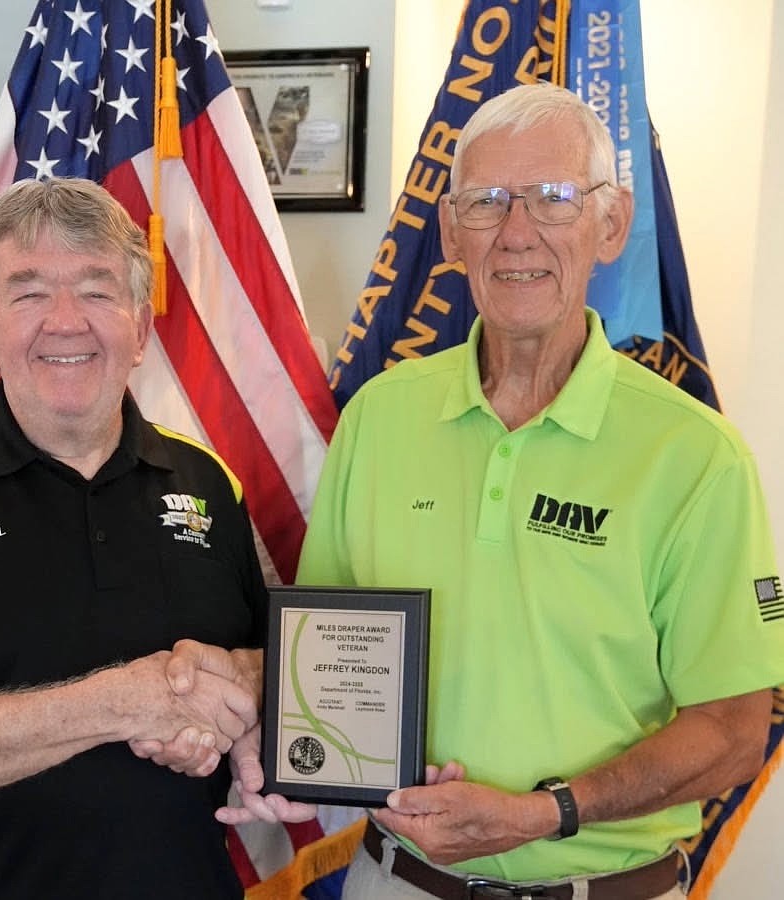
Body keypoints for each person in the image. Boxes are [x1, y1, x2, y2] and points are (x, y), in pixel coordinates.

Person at [295, 82, 784, 899]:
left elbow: (734, 734)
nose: (516, 234)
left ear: (611, 224)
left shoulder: (695, 457)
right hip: (395, 882)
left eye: (553, 199)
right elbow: (323, 657)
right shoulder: (378, 420)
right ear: (450, 232)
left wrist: (547, 811)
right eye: (486, 202)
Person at [0, 177, 276, 899]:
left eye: (98, 291)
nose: (66, 321)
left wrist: (221, 692)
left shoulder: (210, 482)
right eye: (29, 291)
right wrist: (122, 701)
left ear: (139, 328)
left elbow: (267, 665)